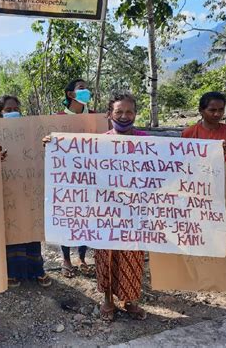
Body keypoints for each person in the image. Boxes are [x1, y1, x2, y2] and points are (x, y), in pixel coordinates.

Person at [95, 92, 147, 321]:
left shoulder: (148, 141)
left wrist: (215, 153)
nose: (124, 116)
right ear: (109, 114)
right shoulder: (98, 142)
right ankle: (107, 299)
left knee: (133, 255)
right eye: (119, 112)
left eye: (129, 112)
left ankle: (130, 300)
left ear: (135, 114)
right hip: (105, 211)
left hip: (135, 212)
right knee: (106, 254)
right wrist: (54, 146)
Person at [0, 95, 51, 288]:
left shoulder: (30, 130)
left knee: (32, 228)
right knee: (12, 230)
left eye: (16, 108)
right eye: (8, 110)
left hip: (29, 188)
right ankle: (13, 273)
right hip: (6, 191)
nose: (13, 112)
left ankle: (37, 270)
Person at [55, 79, 93, 277]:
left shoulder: (97, 117)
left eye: (87, 87)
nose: (86, 91)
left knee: (87, 218)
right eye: (81, 88)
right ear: (70, 94)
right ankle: (66, 259)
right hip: (66, 178)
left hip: (91, 178)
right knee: (67, 218)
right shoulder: (58, 118)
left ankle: (82, 257)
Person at [182, 91, 226, 162]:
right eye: (212, 110)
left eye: (221, 109)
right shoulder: (189, 133)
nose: (217, 114)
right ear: (201, 110)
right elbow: (184, 161)